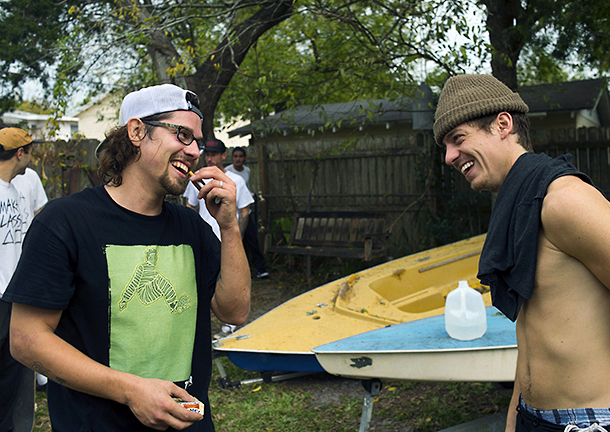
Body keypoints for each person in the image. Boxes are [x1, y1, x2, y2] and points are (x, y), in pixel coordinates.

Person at [4, 84, 251, 431]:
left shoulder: (192, 227)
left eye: (197, 140)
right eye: (182, 134)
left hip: (190, 423)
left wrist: (229, 228)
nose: (194, 150)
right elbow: (26, 339)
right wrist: (131, 390)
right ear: (137, 131)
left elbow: (234, 311)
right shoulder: (64, 223)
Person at [434, 74, 610, 432]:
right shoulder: (520, 204)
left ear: (502, 124)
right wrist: (515, 415)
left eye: (458, 139)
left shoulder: (563, 200)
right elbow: (535, 328)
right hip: (533, 417)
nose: (450, 157)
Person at [183, 139, 254, 338]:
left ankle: (229, 327)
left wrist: (236, 237)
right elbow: (190, 206)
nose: (210, 157)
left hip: (226, 239)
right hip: (203, 240)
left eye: (215, 154)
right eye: (208, 154)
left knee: (227, 283)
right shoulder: (196, 179)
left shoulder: (235, 181)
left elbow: (245, 211)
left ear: (224, 155)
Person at [0, 127, 40, 432]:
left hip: (16, 294)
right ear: (19, 153)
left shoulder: (14, 190)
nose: (32, 159)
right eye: (30, 152)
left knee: (15, 369)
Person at [225, 147, 269, 279]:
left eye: (240, 156)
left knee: (252, 239)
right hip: (231, 212)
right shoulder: (227, 171)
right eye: (235, 156)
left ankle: (261, 269)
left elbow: (243, 190)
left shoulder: (247, 171)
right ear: (232, 158)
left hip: (245, 211)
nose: (238, 159)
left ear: (244, 158)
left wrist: (250, 195)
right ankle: (239, 271)